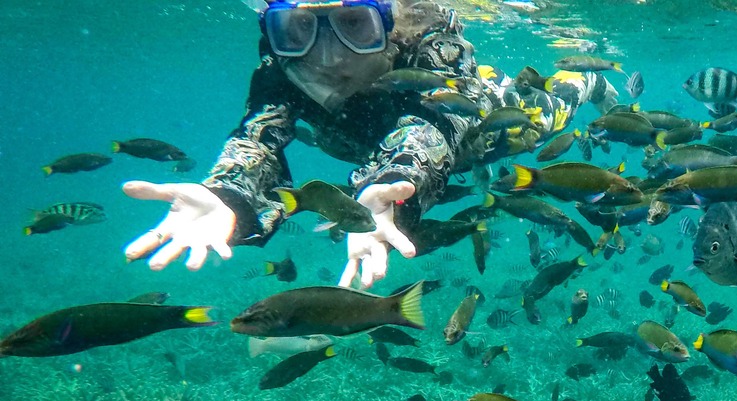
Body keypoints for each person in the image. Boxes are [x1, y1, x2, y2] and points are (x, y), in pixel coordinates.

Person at [122, 0, 616, 288]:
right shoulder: (281, 68)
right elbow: (259, 136)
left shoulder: (432, 43)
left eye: (354, 25)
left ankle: (588, 79)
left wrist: (396, 182)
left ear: (390, 20)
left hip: (476, 122)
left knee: (541, 117)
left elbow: (434, 124)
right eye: (298, 29)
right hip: (370, 141)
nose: (328, 56)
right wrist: (228, 194)